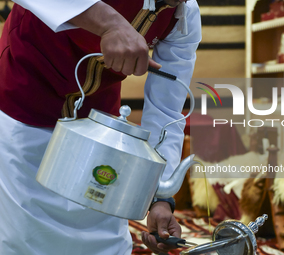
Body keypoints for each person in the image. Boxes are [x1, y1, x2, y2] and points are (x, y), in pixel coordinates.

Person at [0, 0, 201, 254]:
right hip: (25, 103)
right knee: (25, 239)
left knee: (106, 241)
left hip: (99, 126)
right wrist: (111, 24)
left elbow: (166, 111)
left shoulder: (183, 16)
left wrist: (160, 198)